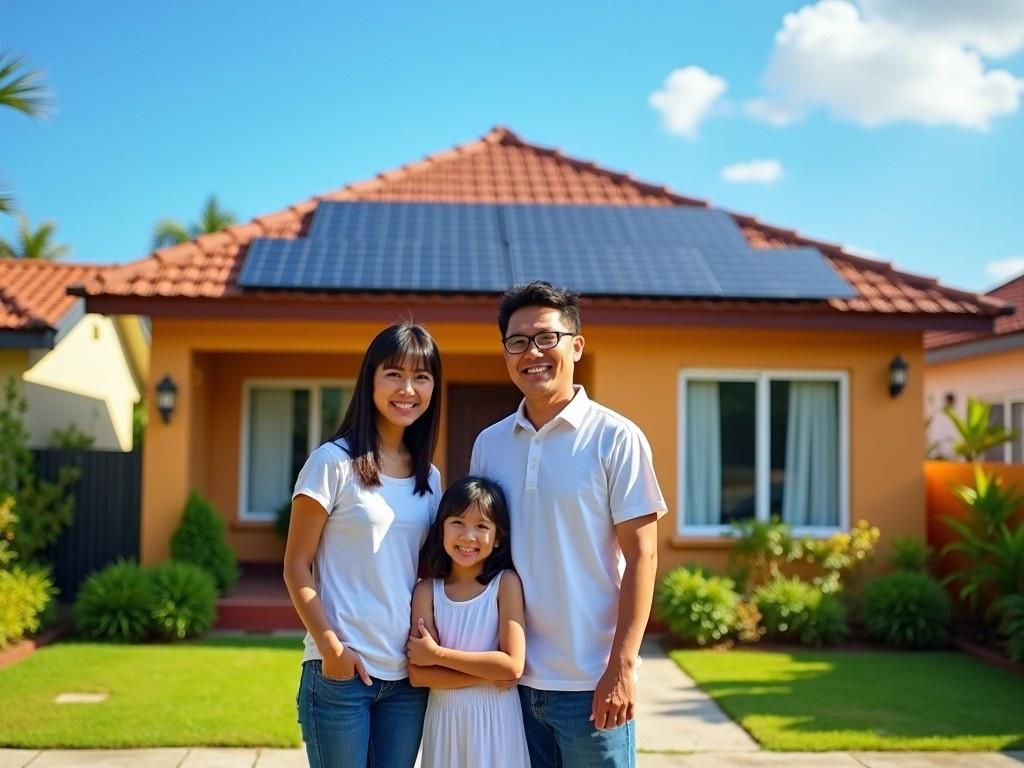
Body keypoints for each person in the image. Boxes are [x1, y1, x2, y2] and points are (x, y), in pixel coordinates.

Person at [470, 281, 666, 768]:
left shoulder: (616, 438)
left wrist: (621, 668)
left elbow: (643, 556)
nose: (531, 353)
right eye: (517, 342)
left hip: (590, 685)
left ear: (576, 345)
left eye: (545, 338)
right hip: (509, 680)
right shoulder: (489, 445)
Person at [283, 322, 442, 768]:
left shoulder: (431, 479)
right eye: (394, 374)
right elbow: (297, 566)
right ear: (370, 378)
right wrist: (332, 648)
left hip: (407, 678)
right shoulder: (332, 463)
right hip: (341, 675)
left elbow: (426, 573)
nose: (407, 388)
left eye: (422, 376)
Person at [406, 475, 530, 768]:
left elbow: (512, 665)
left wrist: (439, 655)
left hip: (496, 720)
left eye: (482, 526)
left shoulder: (505, 584)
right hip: (446, 721)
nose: (468, 536)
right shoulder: (426, 592)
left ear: (498, 537)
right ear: (441, 529)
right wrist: (490, 672)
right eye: (457, 522)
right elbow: (419, 674)